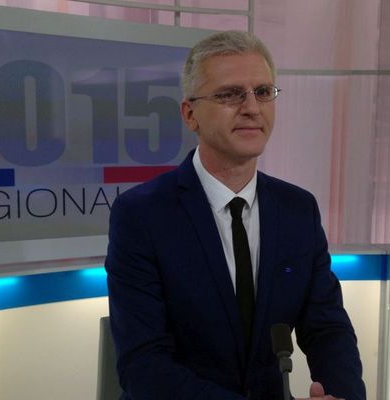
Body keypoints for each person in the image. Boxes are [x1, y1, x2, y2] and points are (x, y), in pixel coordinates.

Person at [105, 30, 366, 400]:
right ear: (190, 114)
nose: (252, 107)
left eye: (263, 92)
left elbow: (327, 329)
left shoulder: (298, 209)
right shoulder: (142, 215)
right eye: (230, 94)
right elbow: (143, 365)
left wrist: (344, 396)